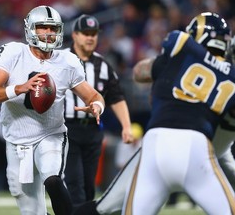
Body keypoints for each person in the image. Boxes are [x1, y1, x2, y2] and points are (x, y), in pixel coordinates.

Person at [73, 12, 235, 215]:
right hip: (196, 147)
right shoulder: (230, 75)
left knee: (113, 208)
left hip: (154, 144)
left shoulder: (181, 47)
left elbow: (140, 71)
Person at [0, 5, 105, 215]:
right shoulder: (13, 53)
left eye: (52, 28)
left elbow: (92, 95)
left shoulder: (67, 61)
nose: (48, 33)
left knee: (52, 179)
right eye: (43, 27)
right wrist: (18, 88)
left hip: (51, 134)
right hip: (16, 140)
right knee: (32, 211)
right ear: (30, 29)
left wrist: (96, 105)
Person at [63, 14, 134, 206]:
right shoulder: (61, 59)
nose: (90, 37)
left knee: (88, 185)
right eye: (86, 33)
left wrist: (126, 126)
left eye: (94, 33)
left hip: (93, 130)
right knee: (74, 183)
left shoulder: (102, 65)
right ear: (75, 35)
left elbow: (116, 96)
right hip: (67, 129)